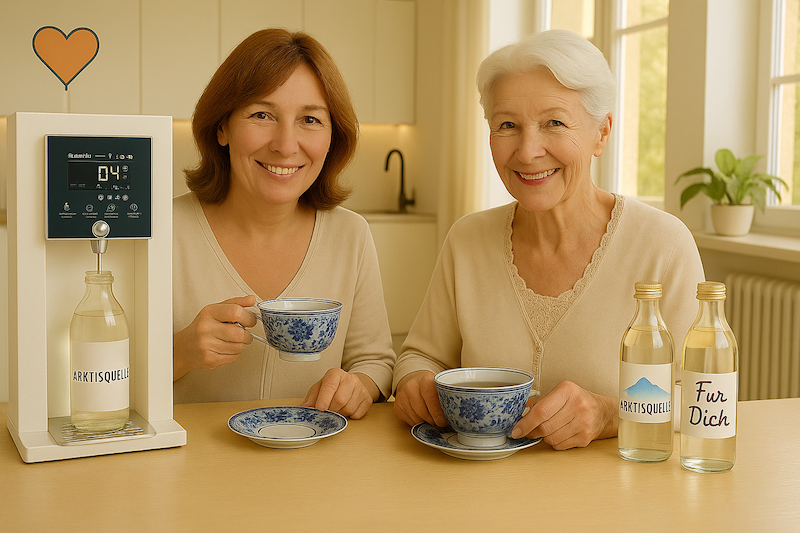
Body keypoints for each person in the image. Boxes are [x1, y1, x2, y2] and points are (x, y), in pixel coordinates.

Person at [392, 30, 705, 449]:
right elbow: (420, 356)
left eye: (554, 123)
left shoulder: (664, 245)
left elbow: (703, 394)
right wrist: (415, 382)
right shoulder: (466, 240)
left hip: (615, 486)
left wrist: (611, 414)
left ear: (602, 132)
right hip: (479, 484)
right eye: (507, 125)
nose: (527, 151)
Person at [172, 29, 395, 419]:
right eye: (262, 115)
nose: (286, 145)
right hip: (192, 456)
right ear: (222, 127)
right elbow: (90, 380)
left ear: (332, 137)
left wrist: (358, 386)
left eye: (310, 119)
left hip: (317, 453)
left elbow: (375, 361)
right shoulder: (162, 232)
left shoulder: (351, 235)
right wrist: (178, 353)